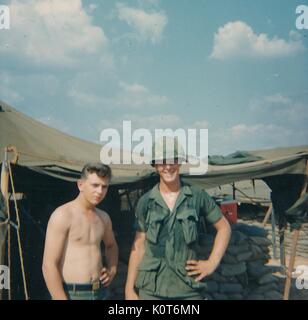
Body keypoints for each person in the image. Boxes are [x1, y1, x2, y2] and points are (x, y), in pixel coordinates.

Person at [125, 137, 231, 300]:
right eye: (161, 162)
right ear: (155, 165)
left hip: (187, 288)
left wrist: (212, 262)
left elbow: (224, 228)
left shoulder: (196, 196)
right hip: (151, 289)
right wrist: (129, 289)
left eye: (173, 160)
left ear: (180, 162)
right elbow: (139, 246)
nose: (168, 167)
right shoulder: (146, 201)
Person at [42, 163, 118, 300]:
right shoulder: (63, 215)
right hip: (71, 293)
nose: (100, 191)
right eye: (95, 185)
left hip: (100, 292)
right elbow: (49, 264)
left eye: (104, 186)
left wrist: (112, 268)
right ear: (80, 185)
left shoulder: (104, 217)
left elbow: (111, 246)